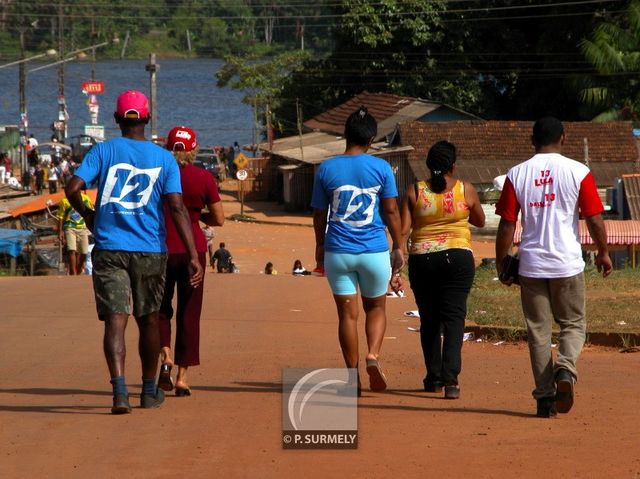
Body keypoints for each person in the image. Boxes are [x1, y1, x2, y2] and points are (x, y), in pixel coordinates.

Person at [65, 90, 204, 414]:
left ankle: (119, 392)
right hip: (150, 251)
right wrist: (193, 254)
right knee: (149, 320)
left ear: (116, 119)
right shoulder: (164, 158)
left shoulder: (103, 151)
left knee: (115, 321)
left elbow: (72, 188)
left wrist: (88, 215)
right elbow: (177, 207)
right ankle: (149, 390)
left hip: (110, 248)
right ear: (147, 119)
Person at [495, 116, 613, 418]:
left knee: (538, 333)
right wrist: (602, 252)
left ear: (532, 140)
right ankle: (565, 368)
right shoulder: (578, 171)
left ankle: (544, 399)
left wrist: (501, 263)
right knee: (573, 325)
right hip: (567, 264)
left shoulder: (516, 174)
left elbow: (507, 223)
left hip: (531, 265)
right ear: (563, 137)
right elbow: (594, 218)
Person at [311, 106, 404, 394]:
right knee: (376, 307)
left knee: (347, 316)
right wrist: (399, 245)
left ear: (345, 135)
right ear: (372, 138)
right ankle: (373, 356)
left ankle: (353, 378)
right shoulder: (381, 168)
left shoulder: (326, 168)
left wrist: (319, 244)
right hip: (374, 251)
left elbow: (319, 213)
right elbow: (390, 211)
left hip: (338, 250)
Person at [400, 140, 485, 399]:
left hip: (423, 259)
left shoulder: (415, 191)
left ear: (428, 166)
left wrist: (396, 257)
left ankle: (433, 377)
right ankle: (451, 381)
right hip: (458, 259)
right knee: (454, 318)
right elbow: (480, 221)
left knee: (430, 319)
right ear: (453, 165)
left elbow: (404, 230)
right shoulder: (465, 189)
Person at [157, 126, 224, 397]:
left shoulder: (159, 176)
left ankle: (166, 357)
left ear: (168, 149)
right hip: (193, 250)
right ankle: (183, 378)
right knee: (189, 312)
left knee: (160, 308)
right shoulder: (204, 178)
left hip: (160, 248)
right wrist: (195, 217)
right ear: (194, 150)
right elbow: (219, 218)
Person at [56, 189, 93, 275]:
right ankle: (73, 272)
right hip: (70, 228)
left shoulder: (85, 199)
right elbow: (60, 217)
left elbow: (91, 212)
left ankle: (79, 268)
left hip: (83, 227)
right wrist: (60, 231)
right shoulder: (65, 201)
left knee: (84, 252)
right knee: (72, 250)